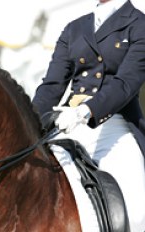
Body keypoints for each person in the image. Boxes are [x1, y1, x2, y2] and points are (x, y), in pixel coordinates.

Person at [32, 0, 145, 231]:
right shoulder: (74, 28)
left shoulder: (139, 24)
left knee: (137, 211)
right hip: (67, 122)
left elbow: (127, 83)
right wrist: (30, 121)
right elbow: (52, 86)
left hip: (113, 122)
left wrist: (86, 110)